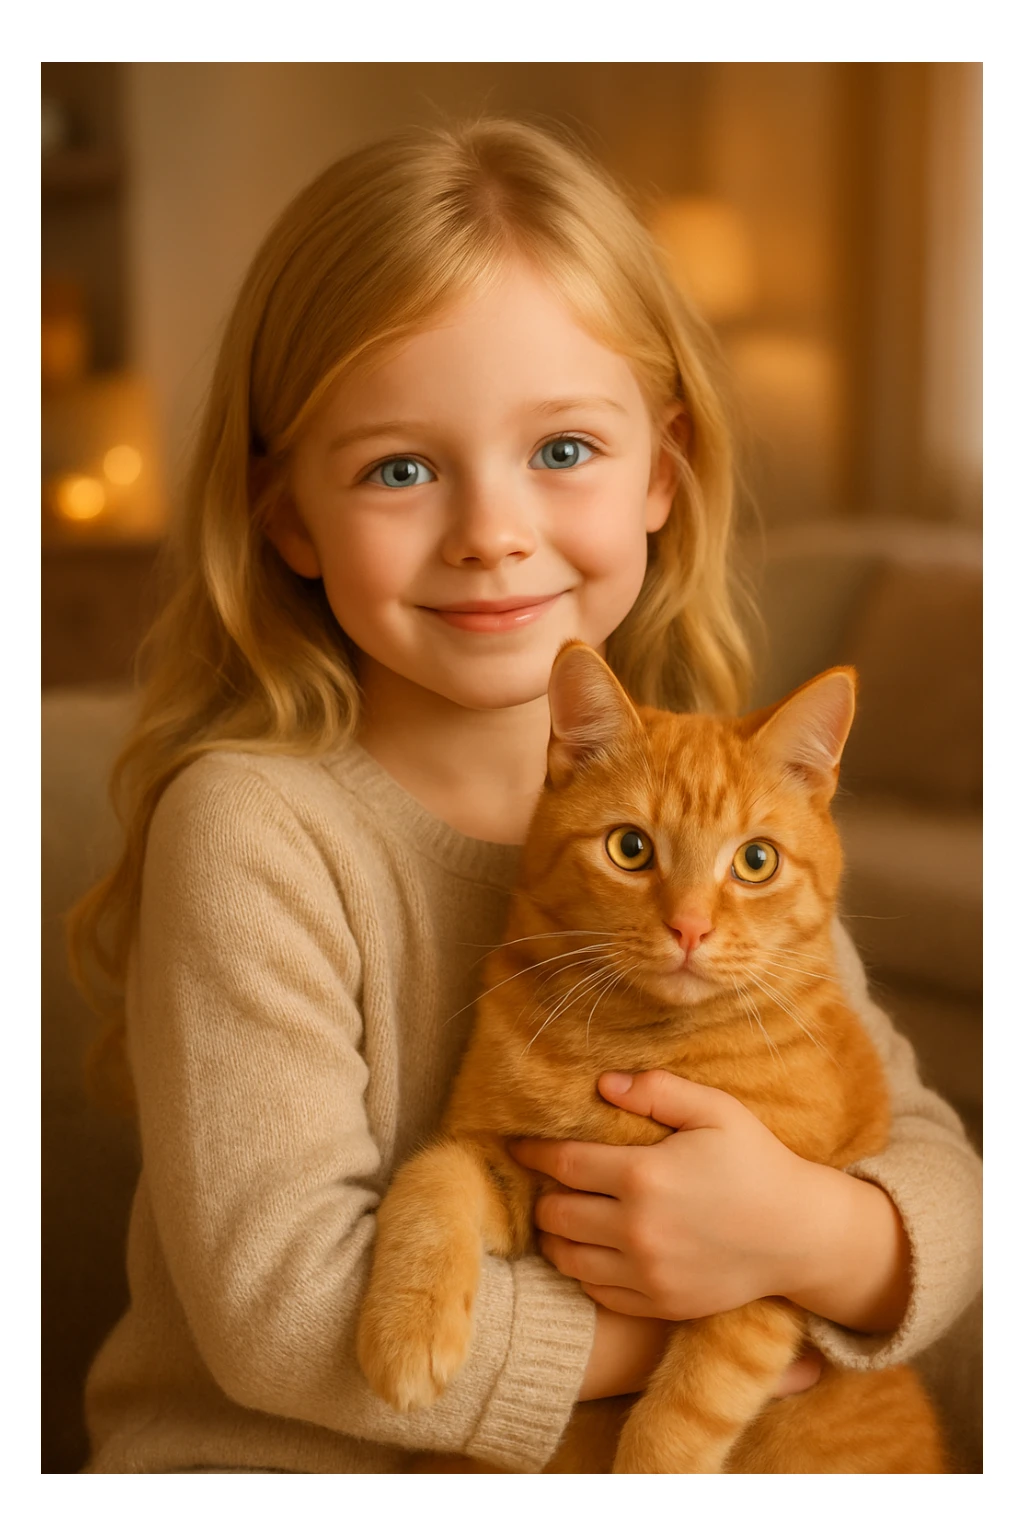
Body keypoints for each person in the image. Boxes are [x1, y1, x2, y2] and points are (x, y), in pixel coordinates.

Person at [71, 118, 981, 1475]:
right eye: (400, 467)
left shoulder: (731, 820)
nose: (491, 529)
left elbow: (938, 1170)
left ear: (662, 473)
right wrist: (709, 1314)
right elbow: (287, 1317)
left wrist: (819, 1239)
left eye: (562, 451)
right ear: (290, 520)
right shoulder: (256, 831)